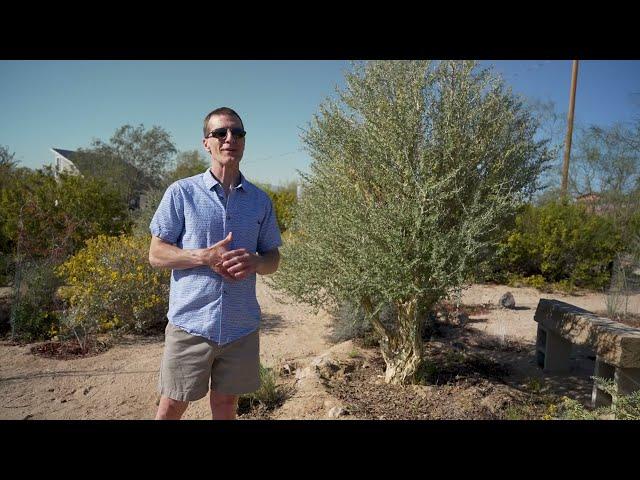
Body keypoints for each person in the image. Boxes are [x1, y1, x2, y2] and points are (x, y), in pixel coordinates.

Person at [149, 107, 281, 420]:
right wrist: (204, 256)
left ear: (244, 142)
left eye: (237, 133)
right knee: (171, 406)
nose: (229, 139)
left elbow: (273, 259)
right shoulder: (181, 193)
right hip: (191, 324)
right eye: (220, 133)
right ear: (206, 143)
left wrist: (255, 261)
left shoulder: (261, 201)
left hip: (240, 327)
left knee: (226, 407)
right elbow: (156, 254)